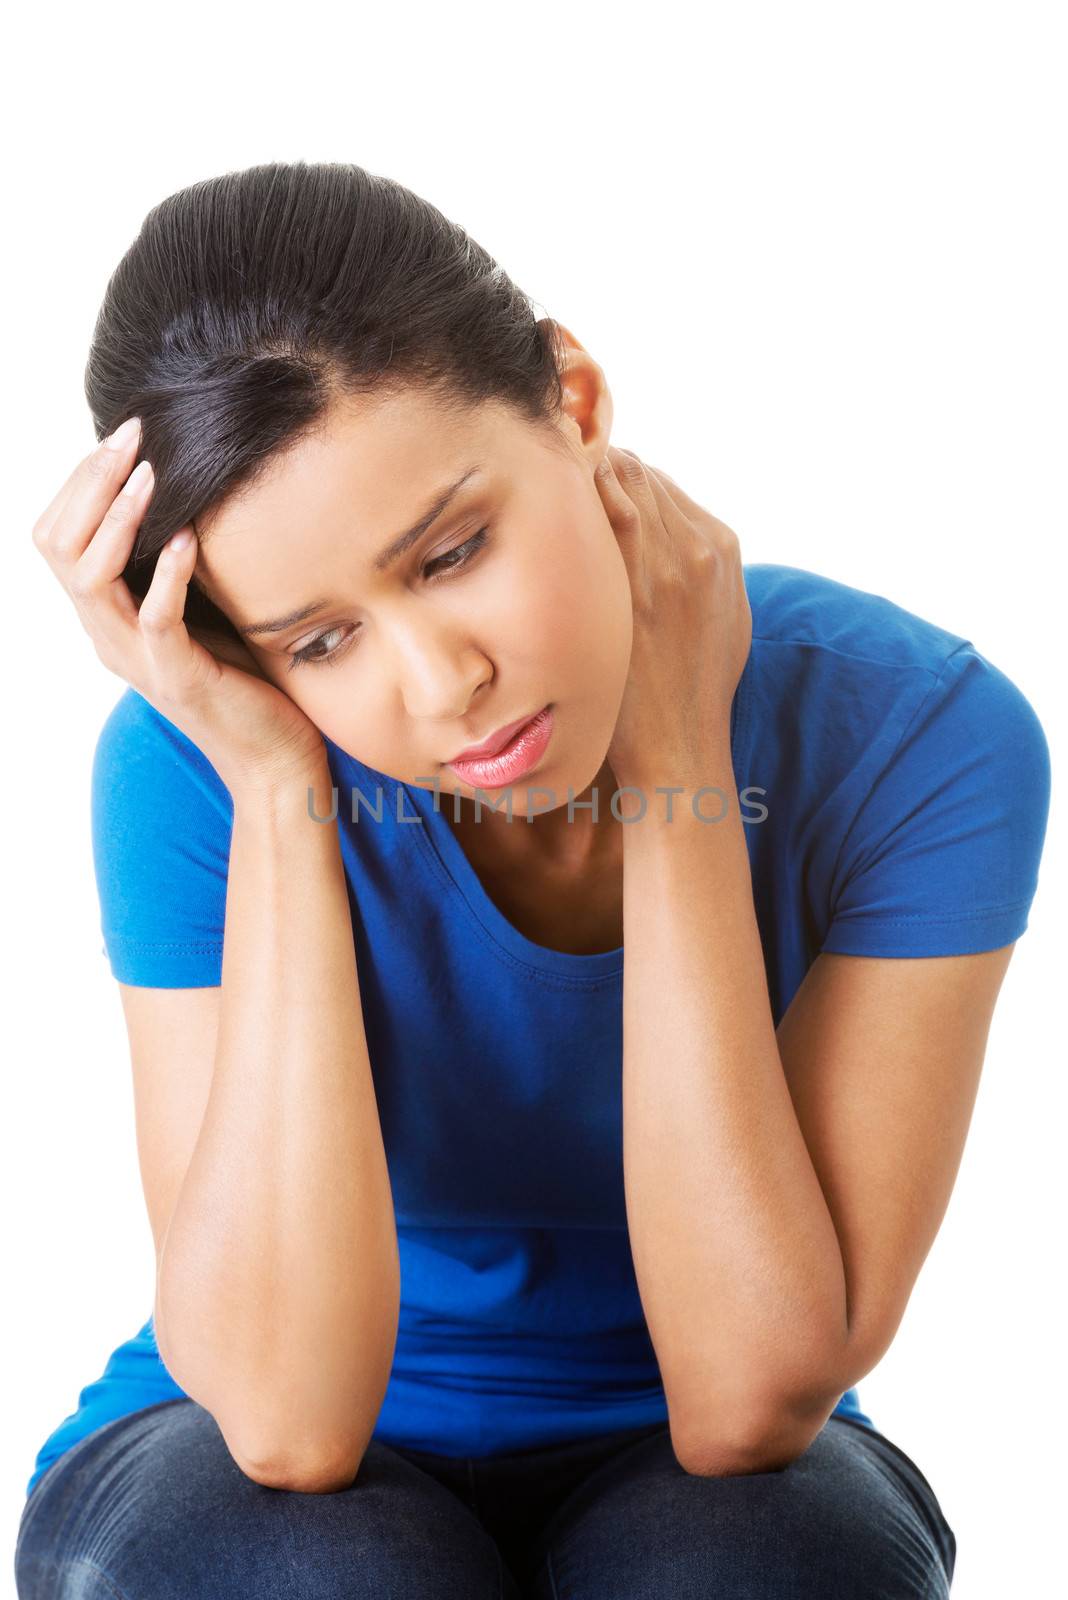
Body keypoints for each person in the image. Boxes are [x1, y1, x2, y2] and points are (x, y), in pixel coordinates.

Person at [15, 159, 1048, 1598]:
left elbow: (750, 1403)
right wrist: (276, 793)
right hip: (230, 1453)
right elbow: (286, 1425)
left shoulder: (919, 733)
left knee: (762, 1571)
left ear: (573, 403)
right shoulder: (195, 764)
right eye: (320, 643)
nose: (443, 686)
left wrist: (677, 740)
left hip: (708, 1453)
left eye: (451, 553)